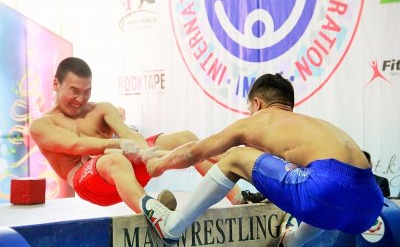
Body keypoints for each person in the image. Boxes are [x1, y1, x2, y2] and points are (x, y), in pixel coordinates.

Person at [140, 73, 384, 246]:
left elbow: (197, 153)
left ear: (257, 103)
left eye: (249, 108)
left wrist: (159, 164)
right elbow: (229, 161)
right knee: (323, 190)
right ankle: (290, 242)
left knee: (238, 155)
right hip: (370, 205)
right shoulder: (310, 128)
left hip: (324, 190)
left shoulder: (259, 120)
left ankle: (172, 226)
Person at [29, 57, 243, 219]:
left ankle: (238, 196)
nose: (80, 99)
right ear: (56, 84)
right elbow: (76, 145)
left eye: (87, 92)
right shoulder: (42, 125)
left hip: (124, 172)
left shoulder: (101, 109)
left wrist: (147, 154)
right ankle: (158, 215)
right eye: (74, 91)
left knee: (184, 138)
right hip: (92, 185)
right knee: (116, 159)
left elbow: (127, 133)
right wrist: (118, 143)